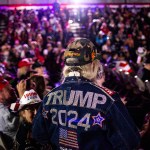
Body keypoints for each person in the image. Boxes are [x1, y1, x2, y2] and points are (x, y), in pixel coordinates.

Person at [32, 38, 140, 150]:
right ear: (93, 65)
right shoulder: (108, 99)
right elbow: (130, 142)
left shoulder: (49, 97)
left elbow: (38, 135)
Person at [0, 76, 20, 149]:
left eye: (10, 86)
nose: (12, 89)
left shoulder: (8, 103)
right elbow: (18, 126)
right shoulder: (2, 113)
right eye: (8, 88)